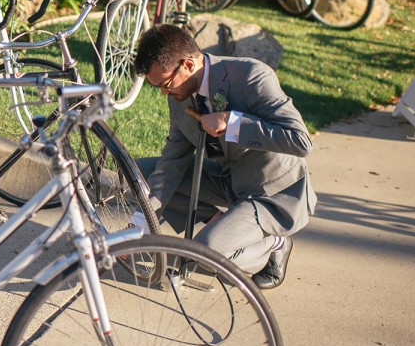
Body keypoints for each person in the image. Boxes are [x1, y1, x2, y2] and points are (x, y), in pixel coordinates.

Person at [132, 24, 316, 289]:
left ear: (187, 64)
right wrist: (143, 219)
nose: (164, 93)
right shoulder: (178, 95)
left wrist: (235, 124)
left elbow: (301, 141)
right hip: (227, 178)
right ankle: (219, 224)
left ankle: (275, 244)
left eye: (166, 84)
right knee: (141, 173)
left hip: (270, 193)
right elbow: (173, 161)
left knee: (209, 254)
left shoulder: (252, 76)